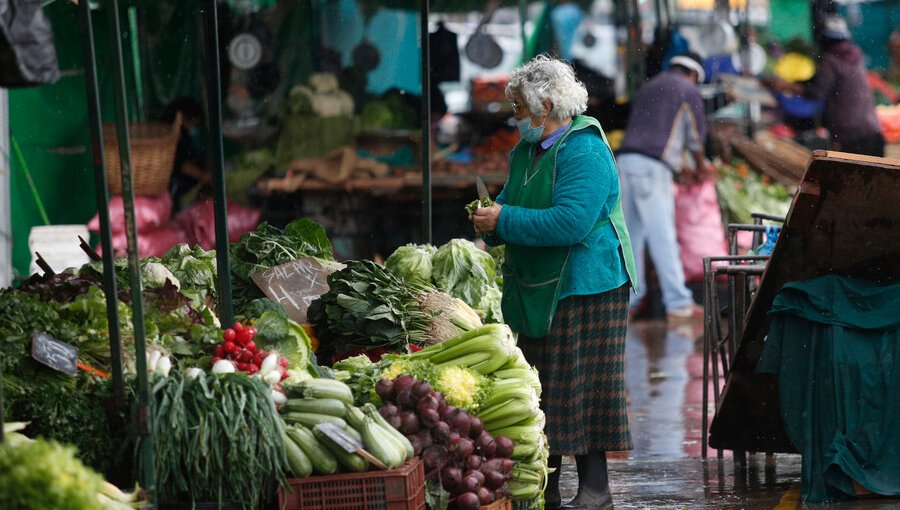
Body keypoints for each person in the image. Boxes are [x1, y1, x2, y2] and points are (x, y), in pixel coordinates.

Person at [470, 55, 637, 510]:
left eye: (521, 109)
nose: (517, 118)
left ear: (546, 104)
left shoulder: (586, 150)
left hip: (589, 282)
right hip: (542, 282)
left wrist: (504, 220)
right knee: (542, 386)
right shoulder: (527, 150)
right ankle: (547, 488)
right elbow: (512, 198)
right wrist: (491, 216)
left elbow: (570, 223)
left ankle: (597, 490)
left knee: (583, 387)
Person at [616, 51, 709, 321]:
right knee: (662, 237)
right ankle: (678, 303)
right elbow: (694, 137)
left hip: (625, 160)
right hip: (652, 167)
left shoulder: (650, 84)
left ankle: (630, 302)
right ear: (694, 75)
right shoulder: (687, 89)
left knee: (631, 237)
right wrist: (701, 165)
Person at [765, 15, 885, 157]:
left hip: (851, 137)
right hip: (872, 131)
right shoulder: (853, 57)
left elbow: (816, 91)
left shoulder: (830, 60)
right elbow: (816, 81)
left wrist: (785, 86)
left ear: (824, 40)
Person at [162, 97, 211, 214]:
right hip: (174, 187)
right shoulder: (173, 136)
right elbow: (182, 163)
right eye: (194, 123)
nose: (195, 127)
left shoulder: (184, 136)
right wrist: (203, 176)